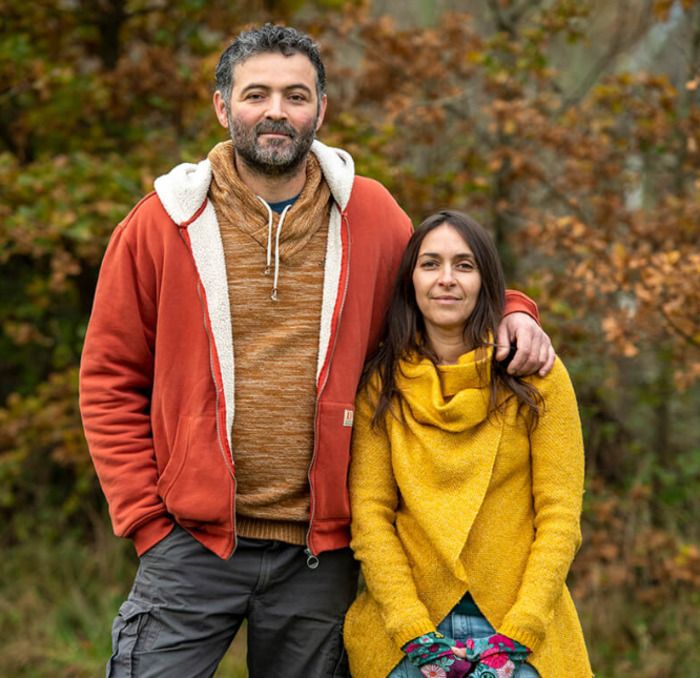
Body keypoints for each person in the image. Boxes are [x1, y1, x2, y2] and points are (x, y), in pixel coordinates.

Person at [79, 24, 554, 678]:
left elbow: (441, 284)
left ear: (320, 110)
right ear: (223, 107)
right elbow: (109, 379)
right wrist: (146, 522)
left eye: (296, 95)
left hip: (319, 555)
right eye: (257, 94)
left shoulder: (372, 216)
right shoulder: (162, 223)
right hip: (190, 545)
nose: (276, 111)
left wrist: (515, 312)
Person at [344, 210, 592, 678]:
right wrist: (413, 631)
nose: (446, 280)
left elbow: (560, 517)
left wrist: (520, 632)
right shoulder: (381, 385)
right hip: (407, 632)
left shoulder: (539, 377)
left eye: (464, 265)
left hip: (521, 630)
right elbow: (371, 518)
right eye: (430, 264)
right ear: (410, 281)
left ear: (486, 281)